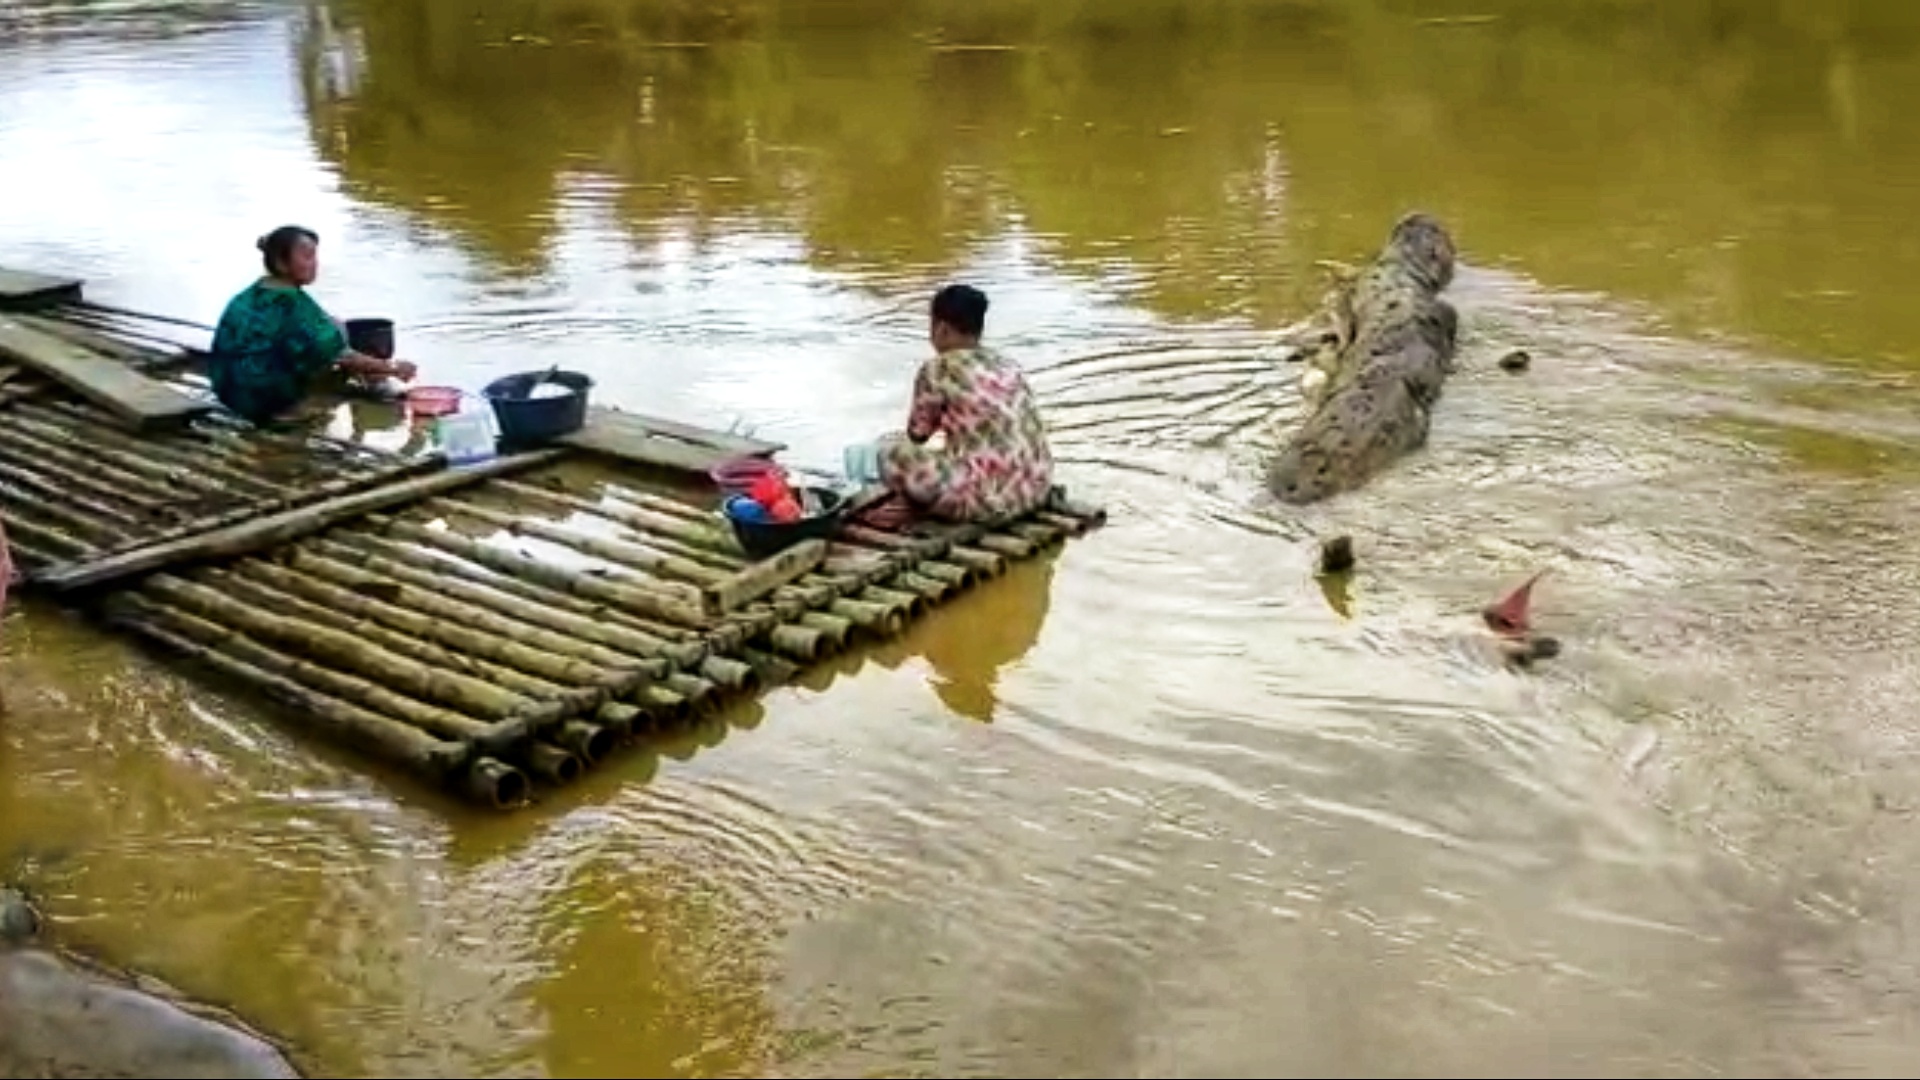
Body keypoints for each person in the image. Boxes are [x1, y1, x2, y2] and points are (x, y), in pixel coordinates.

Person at [876, 284, 1053, 523]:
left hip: (985, 502)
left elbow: (918, 435)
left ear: (942, 329)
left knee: (891, 451)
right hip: (1035, 490)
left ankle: (917, 507)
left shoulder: (938, 368)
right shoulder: (1007, 364)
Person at [207, 225, 415, 425]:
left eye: (315, 256)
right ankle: (291, 410)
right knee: (335, 345)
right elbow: (344, 356)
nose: (315, 264)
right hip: (259, 400)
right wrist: (394, 368)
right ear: (281, 263)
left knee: (333, 327)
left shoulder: (253, 292)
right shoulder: (294, 305)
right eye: (307, 257)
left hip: (226, 389)